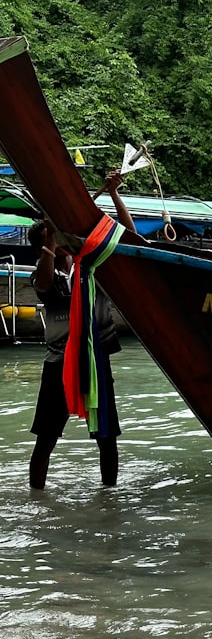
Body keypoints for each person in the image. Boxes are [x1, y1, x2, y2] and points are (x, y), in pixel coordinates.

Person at [28, 170, 135, 489]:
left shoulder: (92, 267)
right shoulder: (43, 276)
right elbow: (45, 280)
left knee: (107, 438)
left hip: (95, 362)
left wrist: (115, 195)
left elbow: (127, 235)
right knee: (46, 440)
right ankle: (38, 499)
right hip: (59, 365)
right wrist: (48, 239)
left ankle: (109, 499)